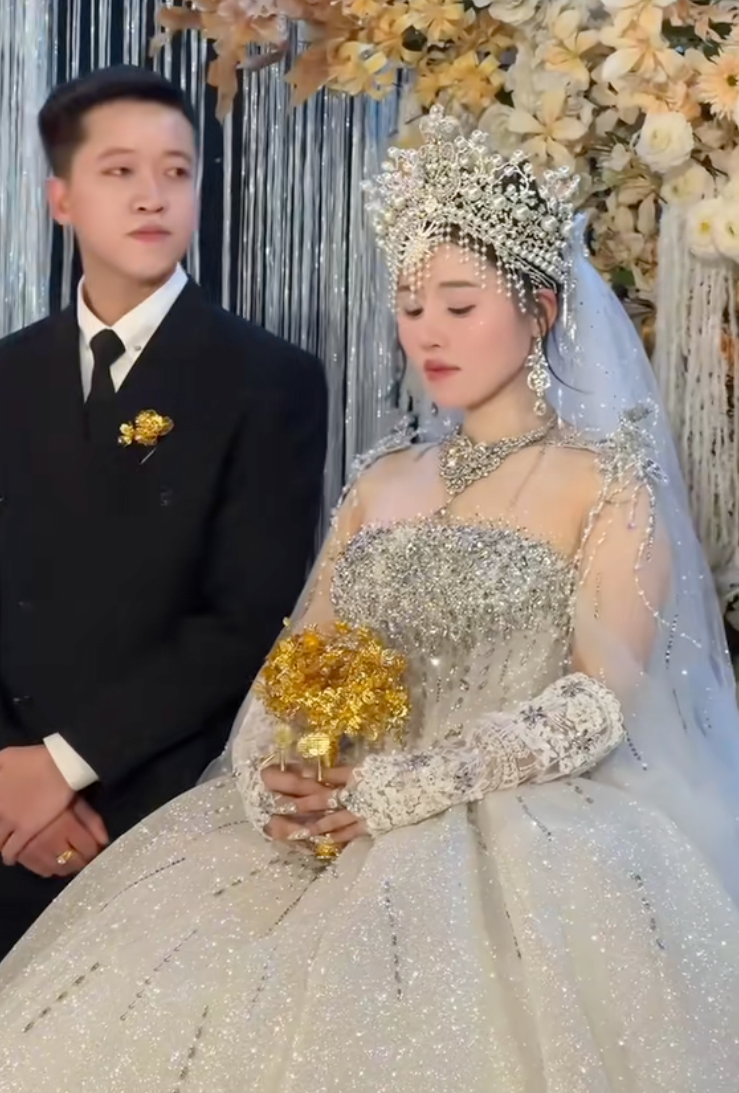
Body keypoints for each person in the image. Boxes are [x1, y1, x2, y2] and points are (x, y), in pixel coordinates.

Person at [1, 106, 738, 1092]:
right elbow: (294, 662)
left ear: (539, 309)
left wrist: (402, 789)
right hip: (327, 824)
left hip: (520, 840)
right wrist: (275, 776)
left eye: (459, 304)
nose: (426, 331)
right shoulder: (384, 478)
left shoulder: (605, 482)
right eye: (410, 304)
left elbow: (597, 701)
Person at [0, 64, 327, 958]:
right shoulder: (8, 374)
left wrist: (66, 765)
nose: (153, 195)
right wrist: (15, 779)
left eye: (175, 171)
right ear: (62, 199)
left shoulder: (269, 380)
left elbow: (245, 619)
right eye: (120, 171)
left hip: (163, 809)